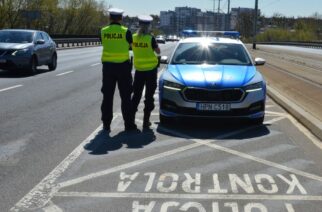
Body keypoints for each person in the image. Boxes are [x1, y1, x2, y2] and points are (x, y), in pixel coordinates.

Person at [100, 8, 137, 132]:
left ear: (110, 18)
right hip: (123, 68)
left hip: (108, 68)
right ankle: (128, 124)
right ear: (121, 19)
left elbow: (103, 43)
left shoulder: (103, 31)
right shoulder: (126, 31)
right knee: (126, 97)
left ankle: (106, 124)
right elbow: (132, 47)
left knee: (107, 97)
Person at [131, 15, 161, 129]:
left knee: (136, 96)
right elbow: (158, 52)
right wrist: (155, 43)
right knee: (149, 96)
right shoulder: (150, 38)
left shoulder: (133, 37)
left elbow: (130, 48)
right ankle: (145, 121)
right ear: (149, 26)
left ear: (139, 25)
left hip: (139, 71)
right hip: (151, 72)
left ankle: (131, 121)